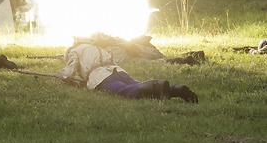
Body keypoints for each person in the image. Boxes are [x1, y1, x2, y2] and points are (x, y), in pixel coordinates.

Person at [57, 37, 198, 103]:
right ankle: (176, 89)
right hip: (119, 72)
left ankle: (163, 86)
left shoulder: (73, 51)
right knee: (138, 86)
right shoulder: (97, 48)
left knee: (129, 92)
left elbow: (69, 72)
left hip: (102, 77)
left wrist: (61, 76)